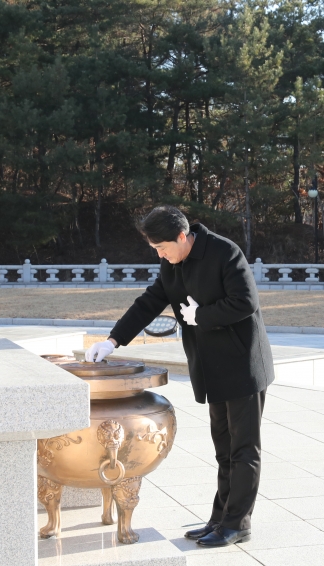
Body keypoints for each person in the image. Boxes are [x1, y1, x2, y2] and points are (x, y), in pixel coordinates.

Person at [85, 205, 275, 548]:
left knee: (244, 448)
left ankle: (238, 523)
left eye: (162, 248)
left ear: (182, 237)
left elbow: (245, 302)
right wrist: (112, 340)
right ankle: (220, 518)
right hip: (212, 365)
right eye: (156, 250)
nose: (160, 254)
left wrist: (203, 315)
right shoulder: (172, 263)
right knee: (224, 447)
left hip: (242, 363)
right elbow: (149, 302)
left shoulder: (225, 252)